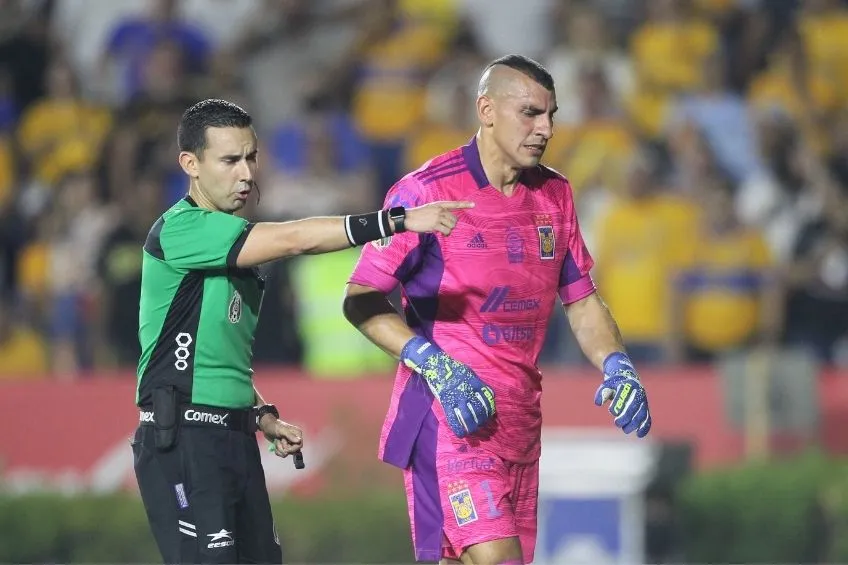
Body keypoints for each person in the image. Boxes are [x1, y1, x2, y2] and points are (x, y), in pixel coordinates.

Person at [132, 98, 473, 564]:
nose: (246, 173)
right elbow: (296, 239)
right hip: (185, 441)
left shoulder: (234, 251)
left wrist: (262, 415)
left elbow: (215, 357)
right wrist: (397, 219)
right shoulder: (181, 230)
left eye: (251, 157)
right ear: (190, 164)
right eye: (230, 160)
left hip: (232, 437)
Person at [342, 55, 653, 565]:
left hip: (519, 427)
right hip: (448, 419)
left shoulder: (555, 194)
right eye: (530, 113)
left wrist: (616, 363)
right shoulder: (427, 191)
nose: (545, 128)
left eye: (550, 115)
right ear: (486, 110)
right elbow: (360, 298)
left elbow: (580, 299)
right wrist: (433, 363)